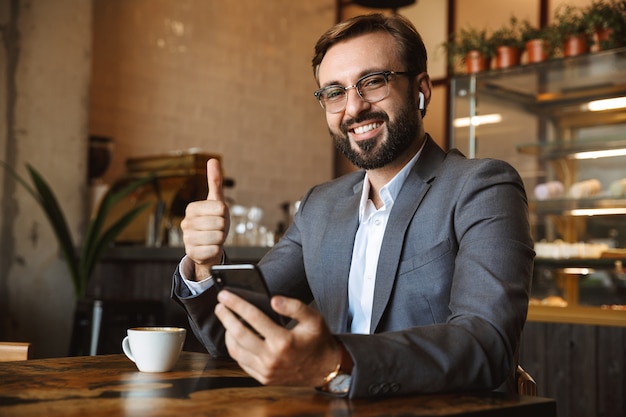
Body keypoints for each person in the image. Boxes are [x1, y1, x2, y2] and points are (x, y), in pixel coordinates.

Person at [171, 13, 534, 398]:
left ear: (420, 89)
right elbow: (237, 333)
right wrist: (204, 266)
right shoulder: (320, 206)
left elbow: (487, 344)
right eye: (335, 92)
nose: (354, 107)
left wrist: (337, 362)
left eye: (373, 82)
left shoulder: (482, 186)